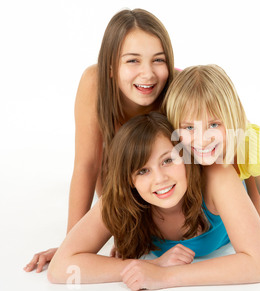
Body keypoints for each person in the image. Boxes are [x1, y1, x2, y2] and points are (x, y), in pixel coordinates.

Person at [47, 113, 260, 291]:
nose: (160, 179)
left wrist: (165, 277)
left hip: (239, 185)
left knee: (259, 219)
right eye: (143, 170)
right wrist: (151, 265)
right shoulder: (121, 198)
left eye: (167, 160)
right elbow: (59, 269)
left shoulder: (217, 177)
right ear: (130, 181)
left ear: (185, 157)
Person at [24, 8, 176, 272]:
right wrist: (73, 244)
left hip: (167, 190)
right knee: (109, 158)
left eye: (158, 60)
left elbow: (227, 142)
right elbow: (87, 165)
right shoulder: (94, 83)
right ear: (109, 66)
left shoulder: (178, 87)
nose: (148, 74)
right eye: (132, 61)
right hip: (125, 185)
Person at [161, 64, 260, 276]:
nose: (201, 139)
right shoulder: (173, 144)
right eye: (189, 127)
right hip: (203, 187)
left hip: (236, 165)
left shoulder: (252, 145)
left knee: (259, 223)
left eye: (214, 124)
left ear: (231, 119)